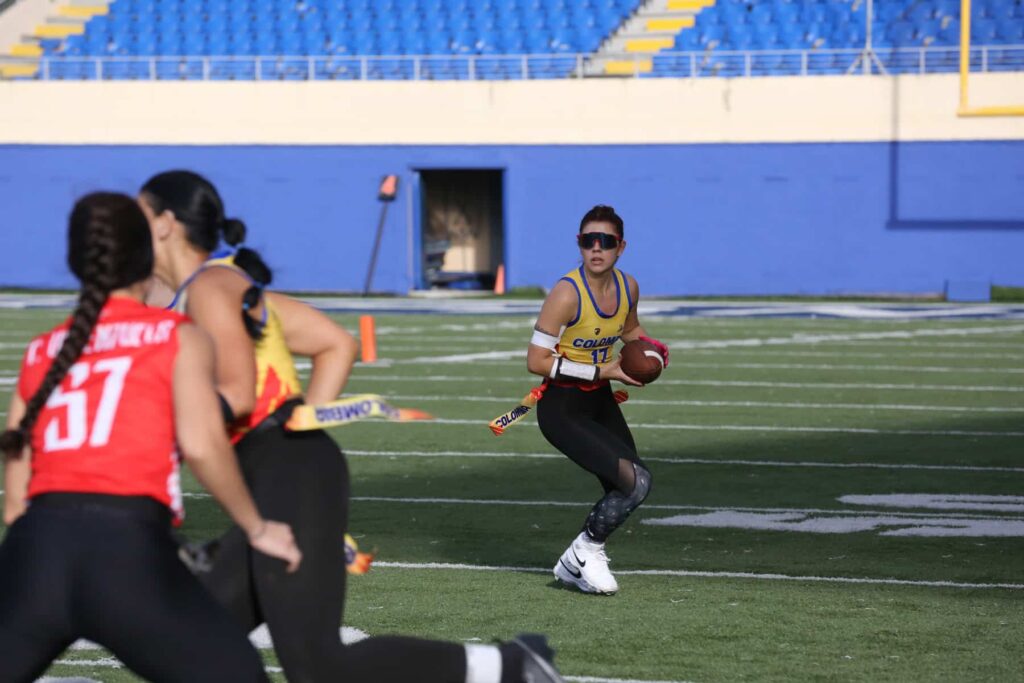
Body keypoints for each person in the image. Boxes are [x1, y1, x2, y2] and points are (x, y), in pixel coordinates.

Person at [139, 170, 564, 683]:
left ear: (165, 223)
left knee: (316, 664)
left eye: (137, 213)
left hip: (288, 473)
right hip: (279, 474)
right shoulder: (201, 290)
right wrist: (302, 428)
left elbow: (238, 392)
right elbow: (336, 343)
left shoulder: (212, 286)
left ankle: (512, 666)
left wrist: (167, 429)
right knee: (188, 647)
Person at [0, 192, 301, 682]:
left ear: (76, 262)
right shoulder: (176, 334)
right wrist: (257, 528)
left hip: (36, 552)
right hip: (125, 551)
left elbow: (15, 499)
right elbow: (202, 445)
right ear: (148, 257)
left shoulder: (43, 349)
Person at [526, 205, 669, 595]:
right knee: (636, 483)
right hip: (562, 408)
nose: (596, 248)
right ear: (579, 244)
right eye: (588, 240)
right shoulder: (566, 293)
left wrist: (650, 350)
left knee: (624, 485)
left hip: (600, 401)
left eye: (605, 241)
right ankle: (583, 553)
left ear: (620, 247)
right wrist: (601, 371)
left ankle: (581, 557)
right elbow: (536, 361)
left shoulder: (628, 287)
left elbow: (630, 329)